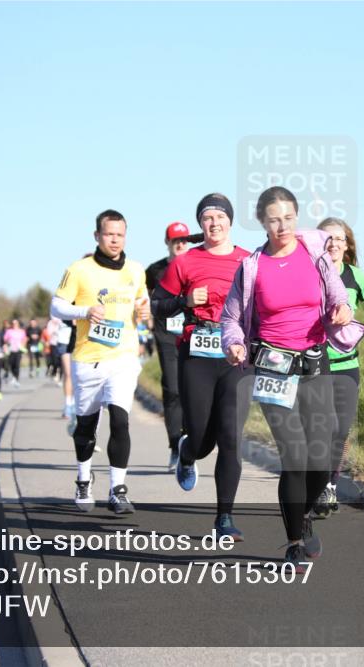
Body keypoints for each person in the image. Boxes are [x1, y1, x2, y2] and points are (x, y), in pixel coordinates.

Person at [221, 186, 364, 571]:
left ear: (296, 218)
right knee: (294, 456)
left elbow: (340, 298)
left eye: (288, 217)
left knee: (321, 455)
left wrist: (341, 310)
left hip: (314, 364)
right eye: (273, 219)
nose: (281, 225)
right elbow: (231, 318)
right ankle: (295, 541)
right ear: (262, 222)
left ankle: (304, 514)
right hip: (271, 368)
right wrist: (234, 344)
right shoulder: (252, 266)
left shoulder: (314, 255)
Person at [155, 196, 252, 539]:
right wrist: (184, 300)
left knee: (230, 438)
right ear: (201, 224)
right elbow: (158, 305)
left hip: (236, 360)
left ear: (230, 222)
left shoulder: (248, 260)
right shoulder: (186, 261)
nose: (214, 223)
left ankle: (224, 518)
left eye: (220, 216)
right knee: (201, 439)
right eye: (207, 218)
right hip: (197, 356)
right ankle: (187, 451)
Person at [51, 209, 149, 514]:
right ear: (97, 236)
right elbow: (56, 306)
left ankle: (118, 489)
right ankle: (83, 477)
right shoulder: (79, 270)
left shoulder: (135, 270)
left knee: (120, 420)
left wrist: (144, 312)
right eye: (109, 234)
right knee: (86, 427)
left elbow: (141, 302)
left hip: (123, 357)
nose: (115, 240)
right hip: (88, 359)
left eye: (120, 234)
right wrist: (84, 311)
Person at [313, 218, 364, 518]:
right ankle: (315, 484)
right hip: (313, 363)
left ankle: (329, 486)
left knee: (340, 430)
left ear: (347, 246)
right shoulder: (311, 273)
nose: (333, 243)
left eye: (339, 238)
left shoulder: (355, 275)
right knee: (320, 429)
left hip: (347, 364)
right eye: (327, 238)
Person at [146, 221, 191, 471]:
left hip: (195, 336)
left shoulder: (197, 263)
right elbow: (142, 296)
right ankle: (175, 445)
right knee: (173, 389)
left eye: (184, 240)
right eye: (176, 241)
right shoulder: (154, 271)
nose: (180, 244)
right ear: (168, 243)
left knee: (193, 391)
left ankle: (190, 440)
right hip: (166, 337)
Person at [4, 319, 27, 388]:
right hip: (11, 350)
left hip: (18, 350)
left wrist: (23, 345)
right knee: (11, 364)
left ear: (18, 324)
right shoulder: (8, 331)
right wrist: (7, 343)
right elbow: (5, 339)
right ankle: (13, 376)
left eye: (16, 323)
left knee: (17, 365)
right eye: (13, 323)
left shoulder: (21, 331)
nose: (14, 324)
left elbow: (24, 339)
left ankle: (16, 379)